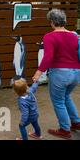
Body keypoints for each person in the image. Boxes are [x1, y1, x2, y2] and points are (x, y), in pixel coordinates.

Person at [32, 9, 80, 139]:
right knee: (66, 97)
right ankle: (76, 123)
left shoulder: (49, 36)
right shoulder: (74, 35)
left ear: (52, 22)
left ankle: (64, 130)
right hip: (76, 73)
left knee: (58, 101)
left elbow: (48, 57)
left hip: (60, 73)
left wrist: (38, 73)